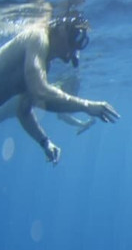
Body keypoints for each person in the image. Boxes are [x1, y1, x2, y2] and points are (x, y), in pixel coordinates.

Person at [0, 10, 119, 164]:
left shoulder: (45, 66)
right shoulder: (37, 37)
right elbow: (40, 90)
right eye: (74, 37)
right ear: (61, 29)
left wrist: (44, 142)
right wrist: (86, 106)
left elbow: (24, 110)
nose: (73, 50)